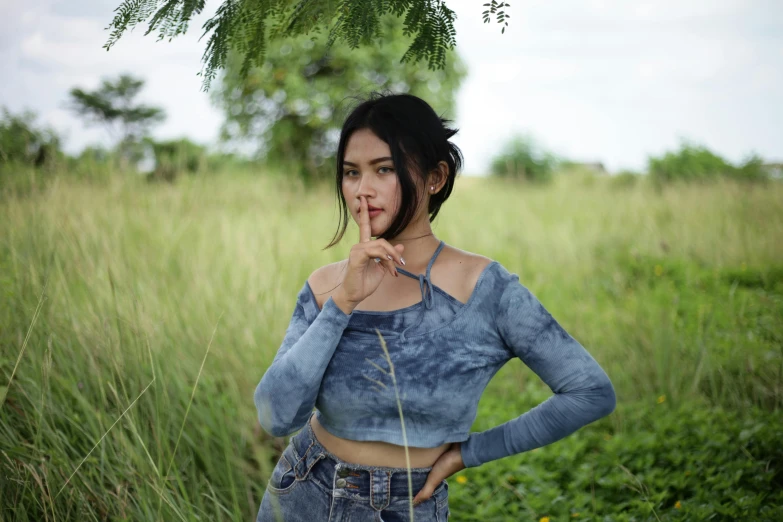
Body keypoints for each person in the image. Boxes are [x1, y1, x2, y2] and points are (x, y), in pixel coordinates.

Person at [254, 92, 617, 522]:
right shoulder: (327, 285)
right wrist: (344, 301)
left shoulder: (486, 289)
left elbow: (590, 391)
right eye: (351, 173)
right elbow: (276, 417)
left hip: (409, 506)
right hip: (303, 492)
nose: (362, 190)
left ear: (435, 177)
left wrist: (470, 452)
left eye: (384, 169)